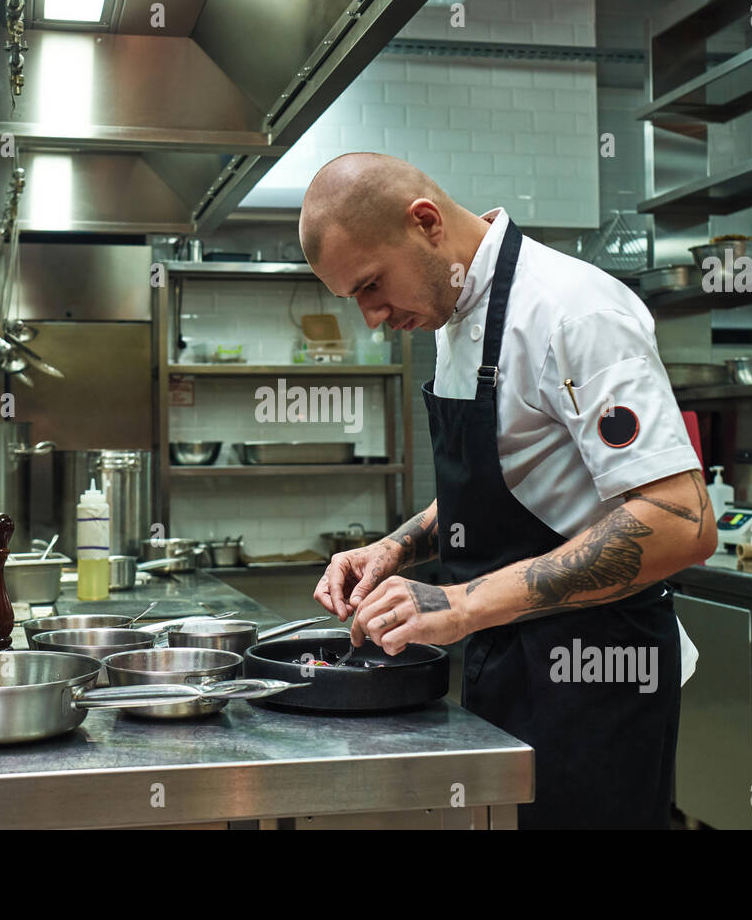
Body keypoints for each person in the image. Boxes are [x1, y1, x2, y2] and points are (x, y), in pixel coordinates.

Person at [299, 152, 715, 829]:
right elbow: (512, 480)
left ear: (425, 223)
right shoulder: (455, 310)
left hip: (599, 675)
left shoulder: (573, 310)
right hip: (508, 658)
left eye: (373, 286)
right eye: (356, 300)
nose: (372, 318)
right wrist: (396, 548)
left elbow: (681, 520)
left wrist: (461, 603)